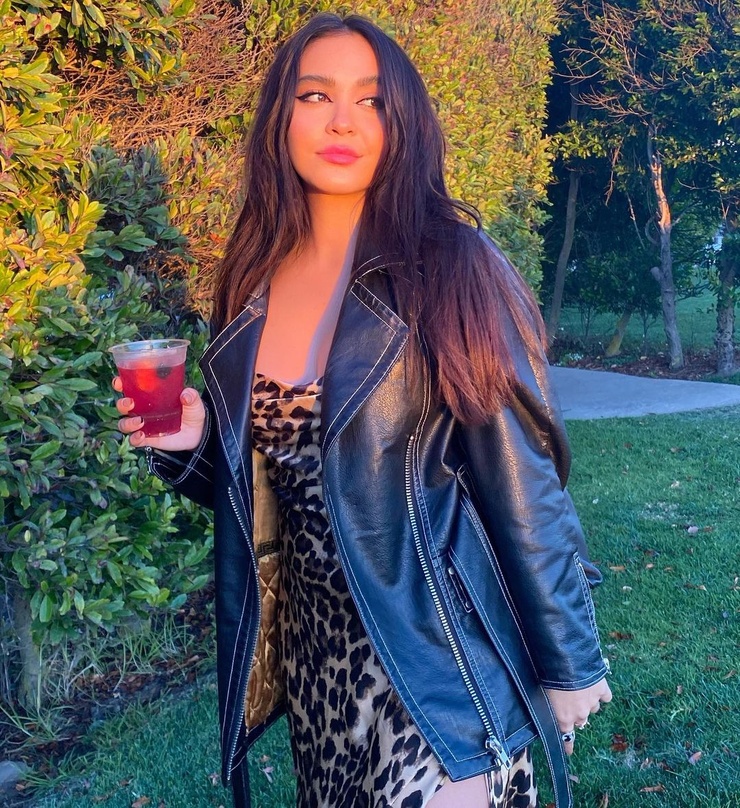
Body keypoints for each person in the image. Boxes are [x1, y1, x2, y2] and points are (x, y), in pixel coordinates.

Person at [114, 12, 612, 808]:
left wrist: (570, 660)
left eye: (371, 100)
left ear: (402, 121)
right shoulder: (253, 276)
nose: (342, 120)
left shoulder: (451, 265)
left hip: (437, 664)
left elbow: (526, 477)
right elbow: (278, 495)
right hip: (320, 671)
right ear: (281, 118)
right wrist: (193, 443)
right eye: (315, 95)